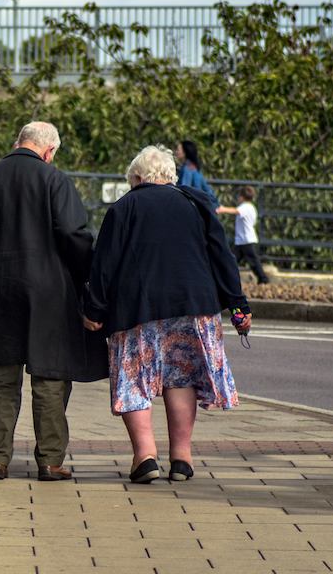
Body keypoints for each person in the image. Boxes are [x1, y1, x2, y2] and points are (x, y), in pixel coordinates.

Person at [0, 121, 108, 482]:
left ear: (19, 142)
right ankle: (49, 461)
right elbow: (73, 234)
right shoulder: (55, 180)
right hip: (49, 294)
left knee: (1, 378)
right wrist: (84, 277)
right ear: (49, 151)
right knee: (50, 376)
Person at [82, 145, 252, 484]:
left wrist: (94, 308)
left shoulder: (124, 207)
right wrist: (238, 304)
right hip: (192, 305)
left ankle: (145, 457)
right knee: (182, 377)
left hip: (136, 308)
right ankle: (182, 459)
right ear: (169, 177)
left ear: (138, 178)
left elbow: (104, 263)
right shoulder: (196, 203)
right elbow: (222, 257)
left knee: (133, 378)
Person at [218, 186, 270, 284]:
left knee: (253, 262)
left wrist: (222, 209)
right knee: (232, 261)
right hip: (242, 241)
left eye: (239, 196)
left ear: (242, 197)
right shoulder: (251, 207)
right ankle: (226, 279)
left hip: (246, 240)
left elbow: (236, 211)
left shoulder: (246, 207)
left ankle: (263, 279)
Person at [176, 140, 218, 210]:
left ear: (185, 152)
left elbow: (185, 189)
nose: (176, 152)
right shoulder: (193, 166)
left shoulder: (187, 168)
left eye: (178, 150)